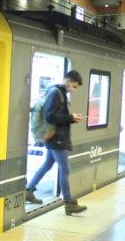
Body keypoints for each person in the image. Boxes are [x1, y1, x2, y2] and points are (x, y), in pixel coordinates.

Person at [25, 70, 87, 215]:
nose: (74, 89)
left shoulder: (56, 92)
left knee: (47, 165)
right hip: (57, 138)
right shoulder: (55, 93)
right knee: (65, 169)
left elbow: (56, 115)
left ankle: (28, 190)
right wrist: (70, 117)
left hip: (54, 137)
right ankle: (69, 202)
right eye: (74, 86)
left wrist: (72, 117)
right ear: (69, 81)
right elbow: (50, 116)